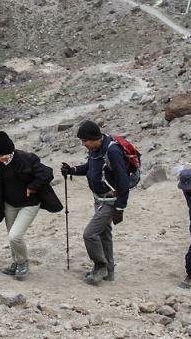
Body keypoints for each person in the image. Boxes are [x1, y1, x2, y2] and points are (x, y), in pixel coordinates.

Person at [0, 131, 58, 280]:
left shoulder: (26, 159)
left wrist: (32, 186)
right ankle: (16, 263)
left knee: (15, 236)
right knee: (11, 237)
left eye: (2, 155)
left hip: (30, 204)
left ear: (10, 151)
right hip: (9, 204)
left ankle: (23, 263)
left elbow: (47, 173)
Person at [59, 120, 129, 285]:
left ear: (95, 138)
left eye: (85, 141)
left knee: (89, 234)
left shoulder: (112, 151)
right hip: (99, 199)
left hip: (110, 200)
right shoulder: (96, 149)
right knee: (104, 234)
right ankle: (109, 271)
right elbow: (90, 167)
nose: (83, 144)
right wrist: (73, 170)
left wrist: (120, 208)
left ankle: (100, 266)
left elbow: (123, 181)